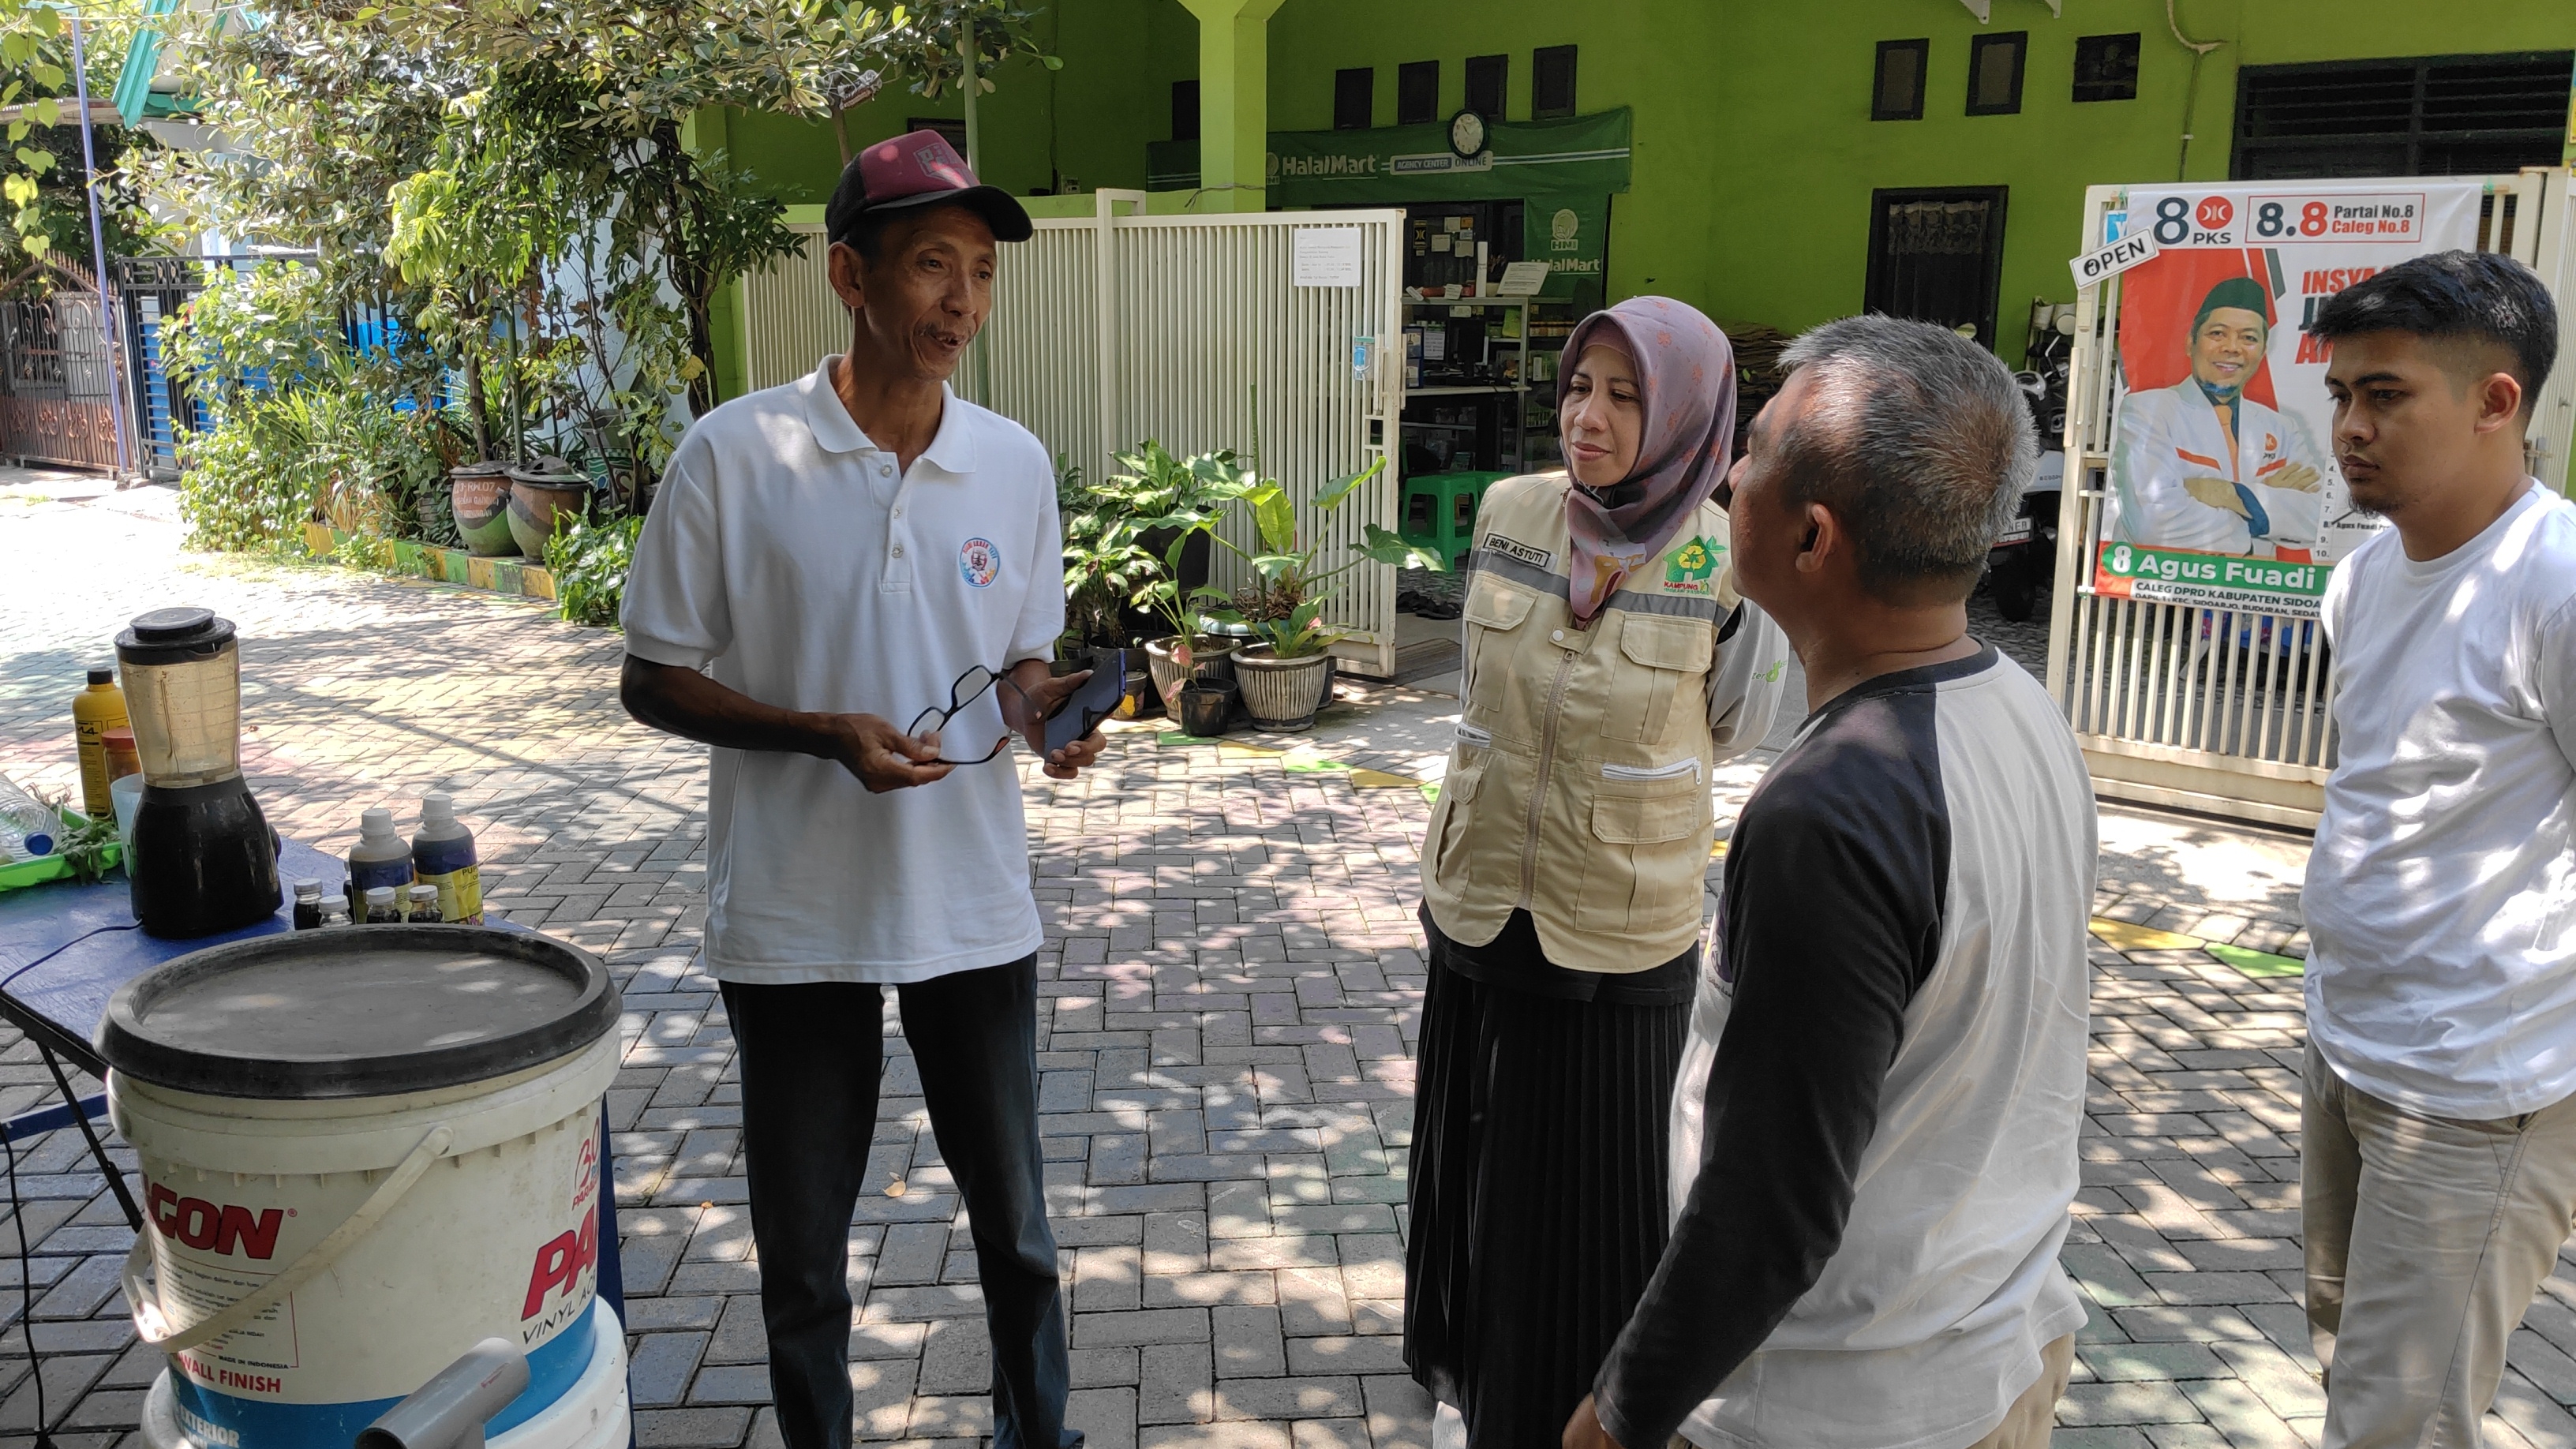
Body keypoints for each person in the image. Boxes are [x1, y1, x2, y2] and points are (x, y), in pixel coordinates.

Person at [619, 131, 1096, 1449]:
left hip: (968, 905)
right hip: (793, 919)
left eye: (981, 274)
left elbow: (1016, 666)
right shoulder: (732, 455)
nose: (961, 301)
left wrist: (1046, 712)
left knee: (1017, 1234)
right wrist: (818, 733)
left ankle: (1034, 1436)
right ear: (848, 274)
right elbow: (650, 678)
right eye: (932, 265)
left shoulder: (1013, 462)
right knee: (803, 1264)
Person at [1564, 315, 2097, 1449]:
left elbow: (1771, 1209)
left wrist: (1619, 1413)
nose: (1729, 471)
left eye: (1749, 451)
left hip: (1839, 1407)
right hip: (1996, 1348)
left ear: (1811, 538)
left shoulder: (1830, 814)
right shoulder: (2018, 708)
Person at [1406, 295, 1792, 1448]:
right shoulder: (1512, 513)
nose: (1589, 415)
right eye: (1580, 386)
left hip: (1619, 941)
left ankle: (1582, 1415)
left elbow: (1743, 723)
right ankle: (1483, 1389)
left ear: (1684, 417)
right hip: (1478, 912)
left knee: (1592, 1208)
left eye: (1626, 396)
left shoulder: (1730, 557)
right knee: (1479, 1178)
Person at [2296, 250, 2574, 1447]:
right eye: (2343, 396)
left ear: (2497, 400)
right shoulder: (2364, 576)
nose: (2352, 428)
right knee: (2349, 1359)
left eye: (2387, 395)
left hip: (2478, 1089)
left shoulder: (2553, 584)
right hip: (2349, 1048)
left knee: (2398, 1421)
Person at [2110, 275, 2328, 556]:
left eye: (2248, 338)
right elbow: (2153, 525)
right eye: (2217, 334)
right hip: (2158, 591)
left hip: (2247, 594)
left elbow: (2320, 519)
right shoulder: (2148, 409)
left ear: (2262, 353)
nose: (2232, 347)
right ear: (2191, 344)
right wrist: (2263, 507)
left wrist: (2230, 494)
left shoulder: (2282, 427)